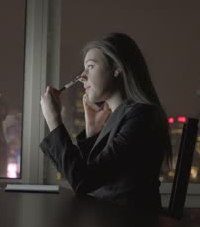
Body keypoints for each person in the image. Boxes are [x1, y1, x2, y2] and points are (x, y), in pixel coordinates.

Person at [40, 33, 172, 211]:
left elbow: (83, 181)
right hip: (111, 219)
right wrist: (92, 132)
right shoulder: (125, 115)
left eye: (90, 66)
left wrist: (54, 120)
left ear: (117, 67)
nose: (82, 76)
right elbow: (93, 175)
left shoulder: (142, 117)